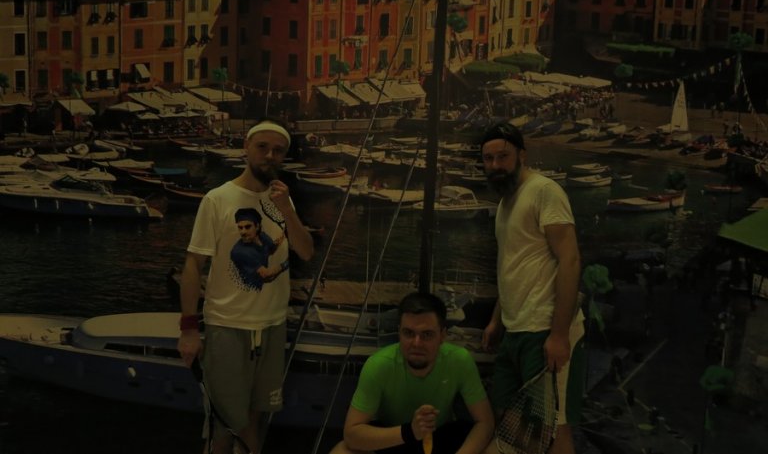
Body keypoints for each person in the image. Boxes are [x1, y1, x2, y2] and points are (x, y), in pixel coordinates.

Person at [177, 118, 314, 454]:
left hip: (272, 326)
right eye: (262, 147)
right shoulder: (218, 199)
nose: (270, 155)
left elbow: (306, 251)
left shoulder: (282, 200)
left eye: (278, 150)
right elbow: (193, 264)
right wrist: (189, 329)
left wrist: (287, 210)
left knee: (256, 417)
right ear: (246, 148)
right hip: (228, 327)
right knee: (226, 424)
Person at [479, 122, 585, 454]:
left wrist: (559, 334)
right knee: (507, 416)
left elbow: (570, 260)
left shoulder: (544, 191)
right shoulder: (505, 204)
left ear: (521, 155)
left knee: (553, 429)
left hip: (544, 328)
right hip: (515, 330)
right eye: (488, 159)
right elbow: (512, 268)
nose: (495, 165)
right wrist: (496, 320)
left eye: (503, 156)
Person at [330, 292, 494, 454]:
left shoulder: (459, 360)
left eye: (427, 335)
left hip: (440, 438)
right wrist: (410, 432)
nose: (416, 343)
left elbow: (485, 423)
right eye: (408, 333)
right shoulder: (379, 365)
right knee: (341, 451)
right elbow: (351, 435)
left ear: (442, 335)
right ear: (399, 332)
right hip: (394, 439)